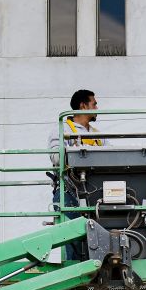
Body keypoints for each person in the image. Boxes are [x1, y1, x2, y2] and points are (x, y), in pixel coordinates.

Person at [48, 89, 105, 259]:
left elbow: (114, 156)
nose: (97, 107)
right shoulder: (63, 129)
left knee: (96, 240)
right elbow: (56, 157)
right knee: (72, 242)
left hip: (94, 194)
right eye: (94, 104)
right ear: (83, 106)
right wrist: (78, 153)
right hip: (69, 192)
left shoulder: (97, 135)